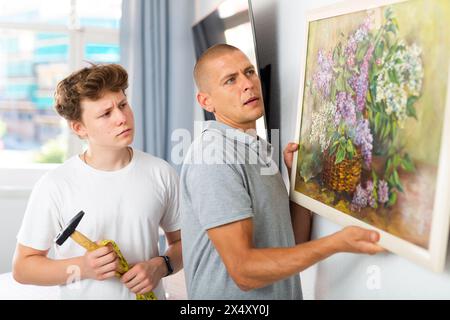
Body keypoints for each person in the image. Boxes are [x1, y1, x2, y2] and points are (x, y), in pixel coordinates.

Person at [180, 44, 384, 300]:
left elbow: (291, 244)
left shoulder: (257, 149)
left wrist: (299, 179)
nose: (247, 84)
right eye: (230, 80)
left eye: (249, 72)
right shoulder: (213, 158)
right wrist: (336, 242)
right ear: (206, 101)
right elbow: (244, 273)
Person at [12, 64, 182, 300]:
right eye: (106, 114)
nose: (122, 118)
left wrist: (161, 265)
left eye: (123, 105)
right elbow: (23, 268)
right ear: (79, 128)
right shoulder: (55, 185)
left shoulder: (161, 172)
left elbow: (184, 243)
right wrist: (83, 267)